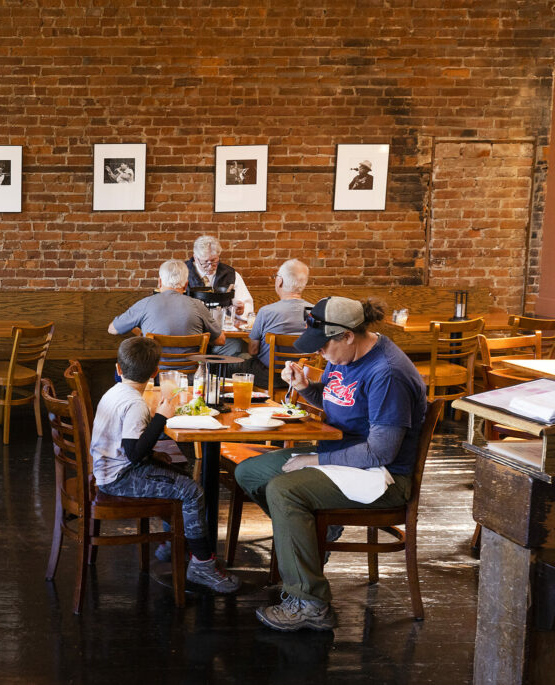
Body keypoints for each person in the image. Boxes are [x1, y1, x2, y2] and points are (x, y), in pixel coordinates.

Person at [234, 297, 427, 632]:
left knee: (284, 490)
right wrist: (307, 388)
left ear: (348, 336)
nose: (320, 353)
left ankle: (311, 603)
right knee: (248, 471)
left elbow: (380, 452)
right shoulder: (348, 354)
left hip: (383, 477)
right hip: (343, 458)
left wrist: (315, 459)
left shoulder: (387, 373)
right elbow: (340, 398)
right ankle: (313, 537)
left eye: (323, 346)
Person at [90, 335, 240, 594]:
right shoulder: (135, 403)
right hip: (120, 478)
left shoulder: (115, 392)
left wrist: (154, 452)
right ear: (156, 371)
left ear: (118, 368)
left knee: (178, 470)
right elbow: (134, 454)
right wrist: (161, 417)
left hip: (108, 469)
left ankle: (174, 542)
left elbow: (132, 447)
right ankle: (202, 565)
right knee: (192, 491)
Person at [108, 260, 224, 363]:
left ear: (159, 282)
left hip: (153, 376)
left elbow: (113, 329)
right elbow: (220, 340)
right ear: (186, 285)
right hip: (191, 379)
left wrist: (141, 332)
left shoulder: (145, 304)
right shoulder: (198, 305)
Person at [234, 259, 311, 390]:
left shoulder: (266, 312)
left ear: (279, 281)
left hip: (269, 377)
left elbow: (253, 350)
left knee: (233, 362)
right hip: (303, 377)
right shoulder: (315, 312)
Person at [185, 235, 253, 356]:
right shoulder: (184, 273)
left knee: (238, 349)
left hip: (223, 336)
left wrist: (240, 311)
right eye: (205, 262)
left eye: (214, 261)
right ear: (195, 257)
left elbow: (247, 309)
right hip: (192, 335)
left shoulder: (230, 274)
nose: (210, 266)